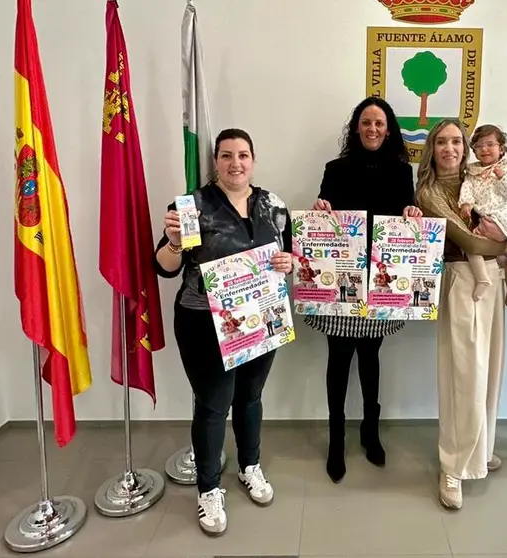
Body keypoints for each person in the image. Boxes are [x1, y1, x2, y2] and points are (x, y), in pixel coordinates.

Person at [153, 128, 294, 536]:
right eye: (227, 155)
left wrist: (287, 263)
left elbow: (285, 254)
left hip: (262, 318)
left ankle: (250, 465)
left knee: (250, 396)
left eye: (244, 155)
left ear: (254, 160)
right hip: (204, 323)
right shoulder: (193, 206)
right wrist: (176, 242)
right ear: (216, 160)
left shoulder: (273, 205)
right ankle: (209, 489)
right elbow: (163, 267)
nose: (236, 163)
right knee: (215, 403)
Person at [307, 96, 422, 483]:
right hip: (341, 280)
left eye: (380, 123)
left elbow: (407, 215)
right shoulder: (334, 169)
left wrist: (411, 213)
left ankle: (369, 431)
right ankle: (336, 438)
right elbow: (327, 216)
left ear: (389, 130)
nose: (373, 129)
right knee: (338, 359)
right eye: (366, 122)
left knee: (371, 357)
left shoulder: (401, 171)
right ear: (356, 127)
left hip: (379, 282)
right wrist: (321, 208)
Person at [413, 119, 507, 510]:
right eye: (442, 141)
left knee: (490, 371)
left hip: (493, 282)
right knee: (463, 376)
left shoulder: (480, 177)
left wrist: (505, 249)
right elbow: (469, 239)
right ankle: (453, 466)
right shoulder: (429, 192)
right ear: (431, 148)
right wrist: (504, 244)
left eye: (457, 141)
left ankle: (481, 450)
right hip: (462, 281)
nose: (450, 148)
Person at [458, 124, 507, 300]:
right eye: (479, 146)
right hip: (486, 217)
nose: (484, 149)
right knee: (499, 257)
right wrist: (466, 203)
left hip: (502, 219)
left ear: (501, 148)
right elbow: (467, 187)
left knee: (471, 243)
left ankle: (482, 278)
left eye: (490, 144)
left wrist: (502, 177)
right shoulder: (473, 171)